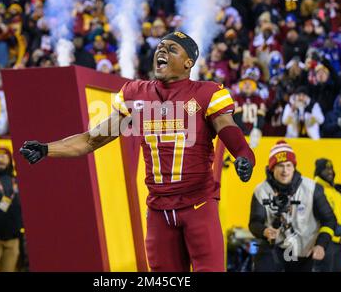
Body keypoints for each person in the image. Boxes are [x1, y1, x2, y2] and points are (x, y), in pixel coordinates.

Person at [20, 31, 256, 272]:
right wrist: (47, 149)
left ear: (188, 63)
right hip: (158, 210)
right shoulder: (136, 94)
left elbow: (227, 127)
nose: (162, 51)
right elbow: (91, 140)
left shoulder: (206, 93)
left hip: (198, 206)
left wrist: (243, 154)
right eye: (160, 46)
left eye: (172, 49)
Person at [249, 140, 336, 272]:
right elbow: (254, 223)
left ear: (294, 167)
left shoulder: (312, 188)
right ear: (272, 168)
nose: (285, 171)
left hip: (304, 252)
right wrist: (264, 231)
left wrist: (321, 245)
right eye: (280, 166)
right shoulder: (261, 190)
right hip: (274, 248)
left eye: (289, 165)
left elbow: (330, 220)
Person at [313, 159, 341, 272]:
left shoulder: (335, 191)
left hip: (340, 242)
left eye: (331, 168)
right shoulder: (316, 189)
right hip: (326, 242)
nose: (330, 172)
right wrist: (336, 228)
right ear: (318, 171)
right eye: (326, 169)